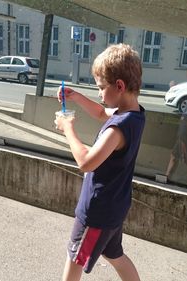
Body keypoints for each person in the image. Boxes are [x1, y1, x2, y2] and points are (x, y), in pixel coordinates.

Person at [54, 43, 144, 281]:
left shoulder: (117, 129)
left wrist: (68, 129)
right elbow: (101, 113)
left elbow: (85, 162)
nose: (100, 94)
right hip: (115, 206)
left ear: (120, 86)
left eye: (101, 88)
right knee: (115, 255)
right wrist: (76, 97)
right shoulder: (134, 115)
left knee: (75, 258)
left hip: (97, 211)